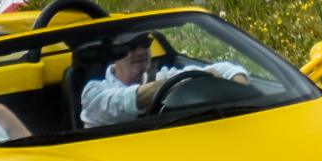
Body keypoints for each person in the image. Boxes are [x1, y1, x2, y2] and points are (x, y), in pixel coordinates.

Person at [80, 33, 249, 128]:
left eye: (145, 43)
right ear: (113, 52)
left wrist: (240, 90)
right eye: (131, 45)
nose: (140, 51)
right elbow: (125, 101)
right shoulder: (93, 92)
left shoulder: (162, 76)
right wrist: (176, 83)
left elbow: (226, 69)